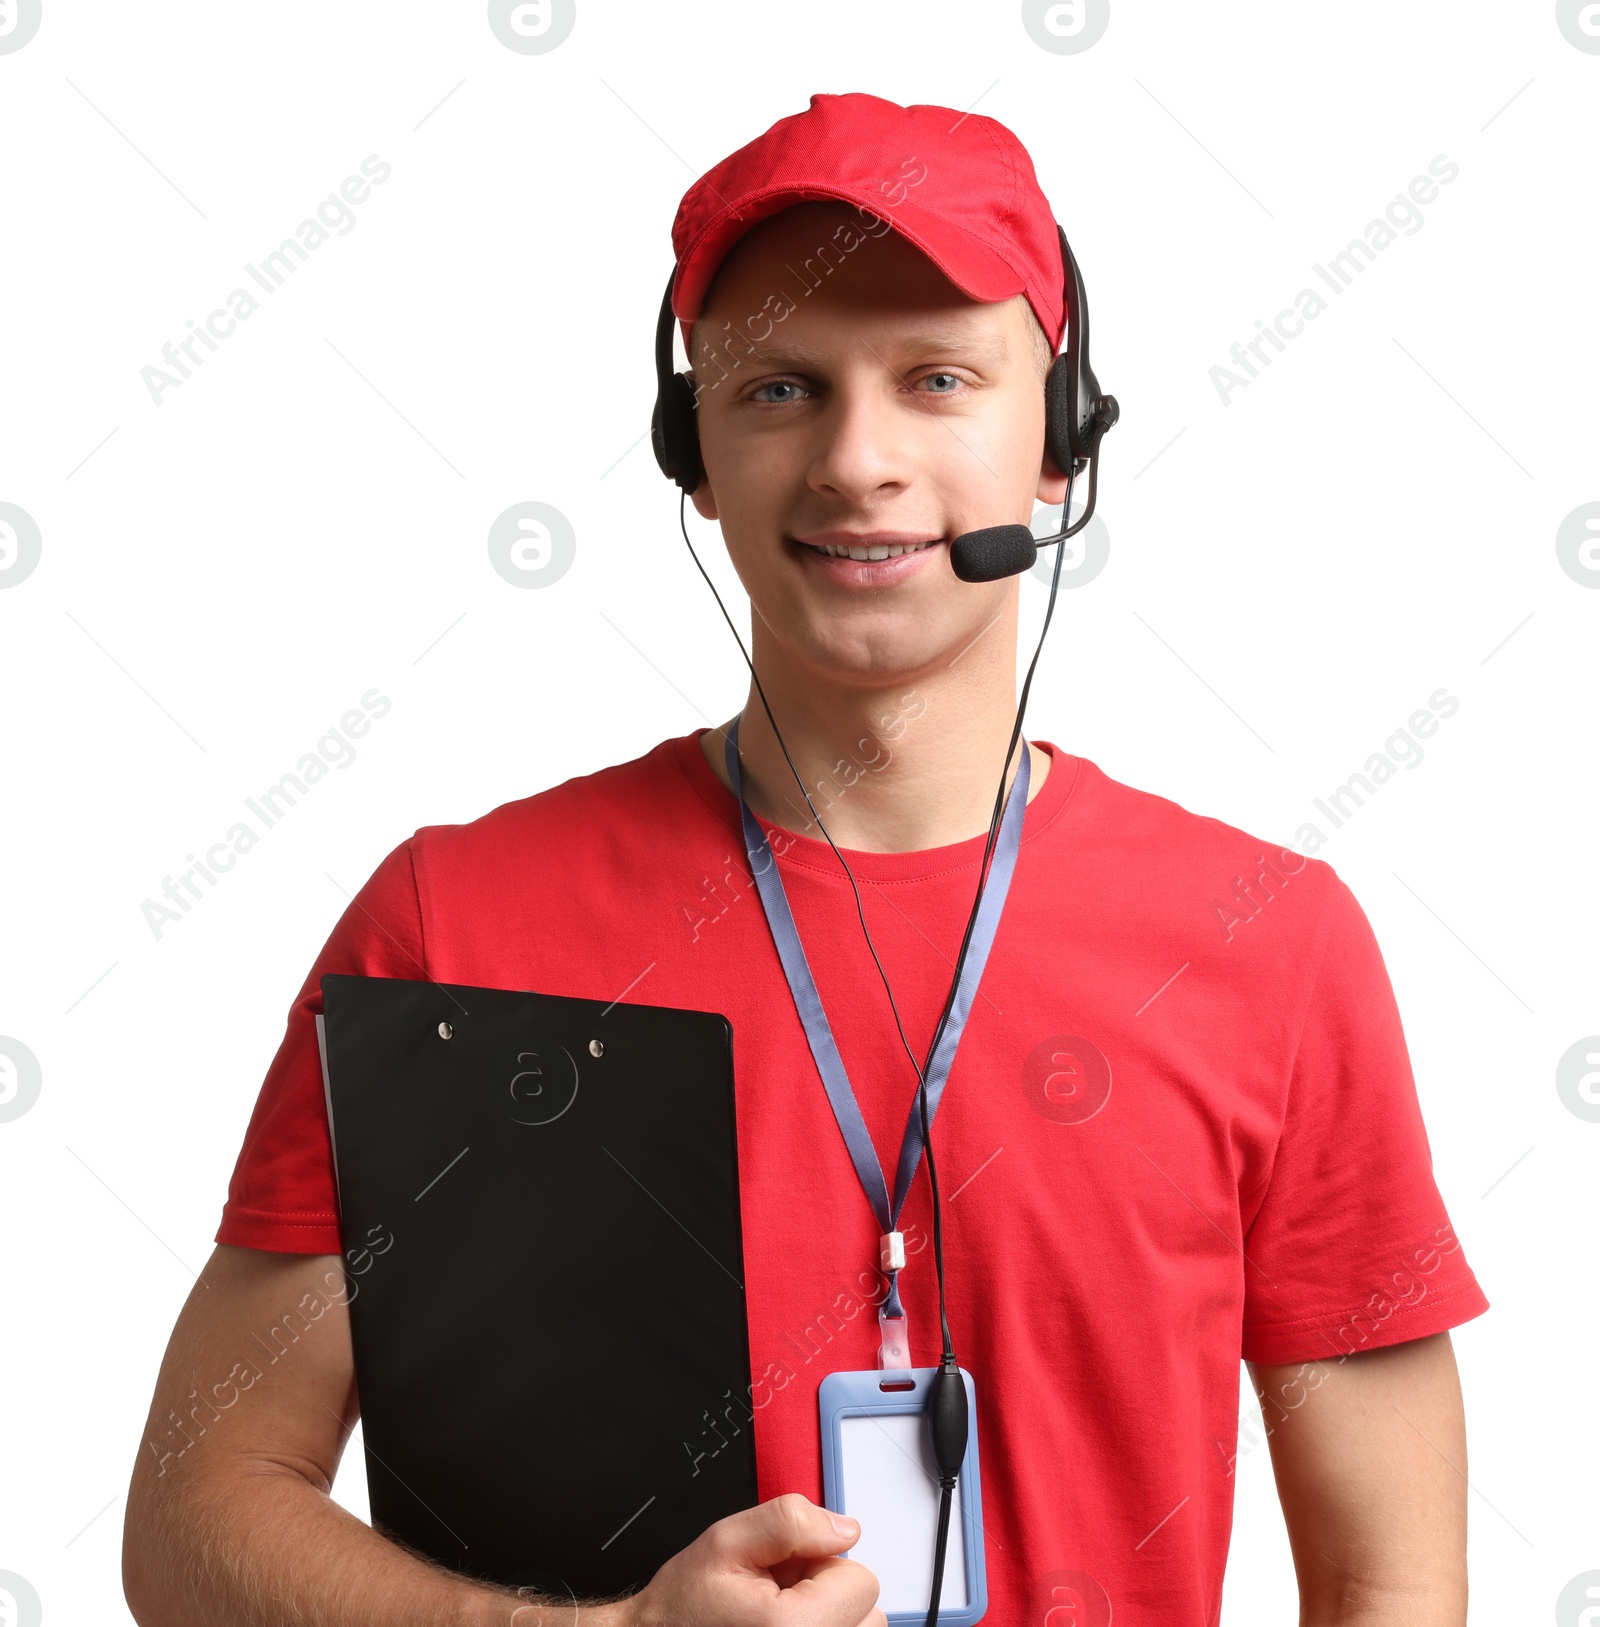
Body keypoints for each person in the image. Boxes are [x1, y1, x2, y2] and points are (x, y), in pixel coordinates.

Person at [122, 92, 1489, 1627]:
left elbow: (1394, 1589)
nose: (858, 462)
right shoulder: (453, 922)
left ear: (1062, 439)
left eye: (937, 379)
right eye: (778, 389)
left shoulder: (1270, 944)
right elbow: (194, 1518)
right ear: (690, 453)